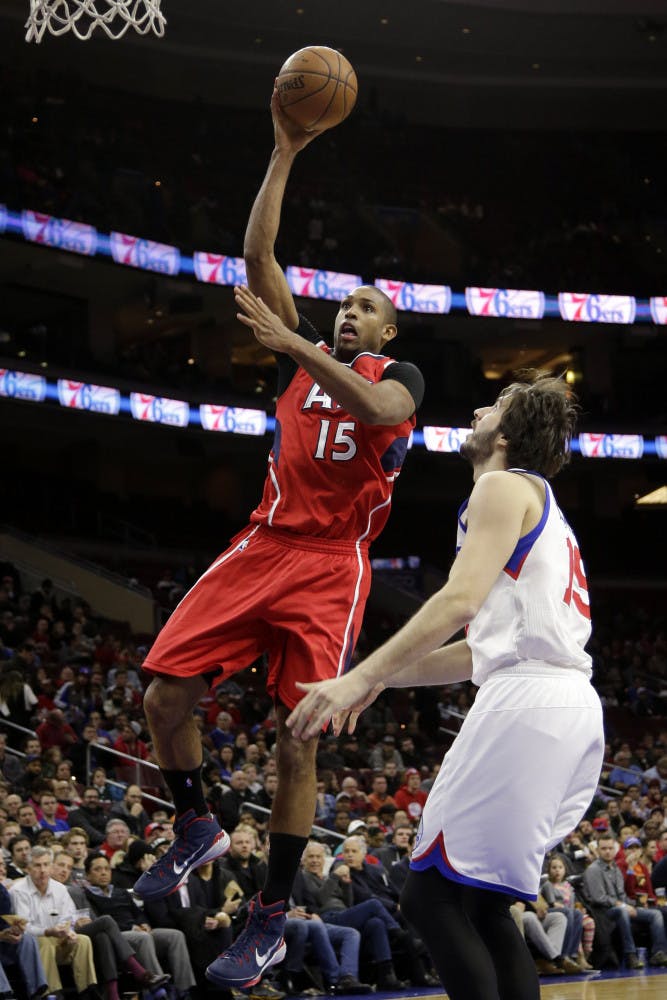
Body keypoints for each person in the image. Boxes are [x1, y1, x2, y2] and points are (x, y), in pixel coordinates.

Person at [133, 82, 424, 994]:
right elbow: (258, 251)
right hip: (263, 544)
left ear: (388, 327)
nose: (348, 311)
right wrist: (284, 150)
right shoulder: (303, 350)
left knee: (299, 737)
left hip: (330, 569)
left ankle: (268, 912)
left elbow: (377, 405)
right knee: (159, 702)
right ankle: (193, 822)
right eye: (342, 303)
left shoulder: (395, 373)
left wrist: (299, 348)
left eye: (365, 306)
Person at [287, 372, 605, 1000]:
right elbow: (479, 648)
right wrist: (384, 680)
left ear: (508, 435)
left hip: (528, 704)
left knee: (429, 895)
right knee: (483, 907)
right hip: (566, 706)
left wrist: (361, 674)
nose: (480, 408)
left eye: (497, 405)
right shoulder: (544, 509)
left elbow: (458, 600)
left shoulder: (499, 486)